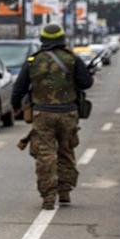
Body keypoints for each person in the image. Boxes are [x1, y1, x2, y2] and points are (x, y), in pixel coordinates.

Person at [10, 23, 93, 210]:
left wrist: (16, 107)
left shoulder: (33, 60)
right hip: (68, 114)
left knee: (45, 155)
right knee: (66, 151)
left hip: (43, 114)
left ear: (43, 38)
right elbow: (86, 83)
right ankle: (64, 192)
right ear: (62, 38)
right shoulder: (72, 59)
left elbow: (19, 88)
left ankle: (48, 196)